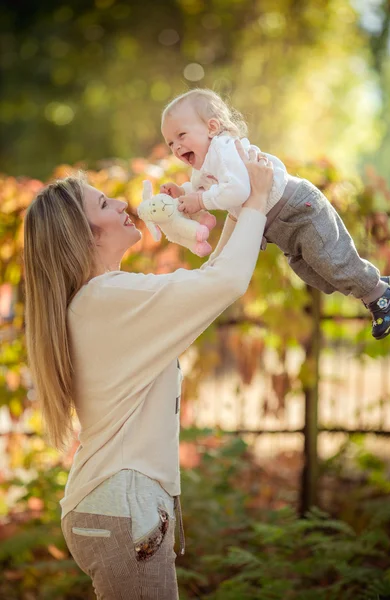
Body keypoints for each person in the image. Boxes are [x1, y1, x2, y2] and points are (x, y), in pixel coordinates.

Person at [23, 142, 274, 599]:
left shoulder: (102, 300)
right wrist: (257, 198)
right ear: (84, 234)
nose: (122, 202)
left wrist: (236, 205)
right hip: (122, 509)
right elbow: (227, 282)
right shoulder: (108, 299)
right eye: (103, 203)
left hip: (116, 508)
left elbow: (211, 282)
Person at [160, 88, 390, 341]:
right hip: (280, 228)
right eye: (170, 143)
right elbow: (200, 190)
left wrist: (198, 199)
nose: (176, 147)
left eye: (181, 135)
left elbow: (237, 190)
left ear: (211, 127)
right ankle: (380, 284)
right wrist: (181, 192)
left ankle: (380, 296)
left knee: (332, 260)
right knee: (318, 274)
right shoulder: (202, 167)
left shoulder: (224, 149)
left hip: (299, 209)